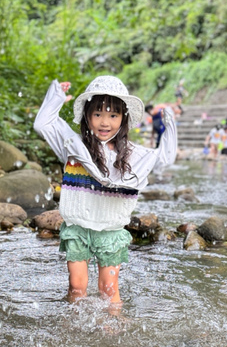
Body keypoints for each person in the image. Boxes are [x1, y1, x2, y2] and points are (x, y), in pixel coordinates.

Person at [34, 76, 176, 306]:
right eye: (97, 114)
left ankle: (113, 328)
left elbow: (164, 158)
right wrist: (56, 97)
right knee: (77, 286)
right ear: (87, 116)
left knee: (108, 288)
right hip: (78, 228)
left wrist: (169, 124)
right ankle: (73, 326)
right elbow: (42, 125)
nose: (104, 122)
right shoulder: (74, 146)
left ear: (123, 118)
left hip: (110, 231)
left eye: (113, 115)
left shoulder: (131, 155)